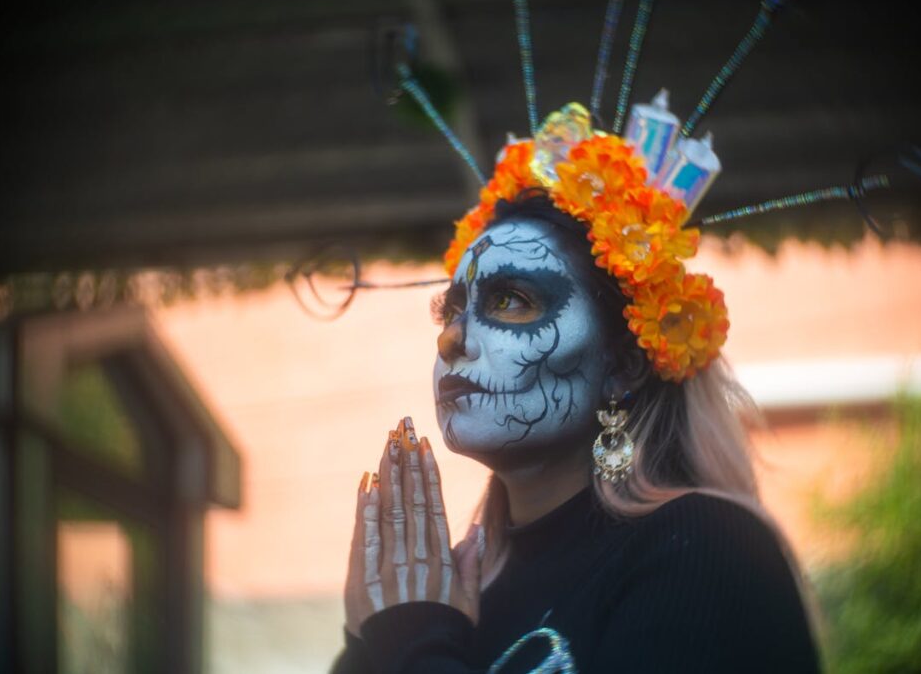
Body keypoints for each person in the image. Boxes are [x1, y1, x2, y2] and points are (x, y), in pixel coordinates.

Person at [331, 176, 821, 671]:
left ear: (623, 364)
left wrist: (410, 639)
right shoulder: (459, 591)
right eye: (452, 310)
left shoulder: (706, 547)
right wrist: (368, 641)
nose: (452, 339)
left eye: (512, 300)